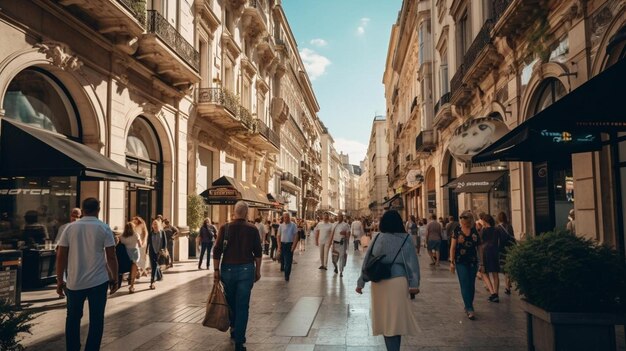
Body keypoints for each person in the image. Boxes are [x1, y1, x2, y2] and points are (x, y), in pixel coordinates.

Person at [55, 198, 119, 351]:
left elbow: (61, 255)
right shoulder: (104, 228)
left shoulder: (70, 228)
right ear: (98, 209)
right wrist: (115, 278)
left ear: (82, 210)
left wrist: (59, 280)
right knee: (97, 320)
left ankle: (73, 348)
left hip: (74, 281)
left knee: (72, 319)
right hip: (98, 281)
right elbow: (111, 256)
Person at [356, 210, 420, 351]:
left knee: (386, 321)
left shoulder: (378, 237)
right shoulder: (406, 238)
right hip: (399, 282)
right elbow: (412, 263)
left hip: (380, 283)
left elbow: (368, 262)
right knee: (395, 321)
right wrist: (414, 284)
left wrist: (361, 282)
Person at [212, 201, 262, 351]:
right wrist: (258, 271)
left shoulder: (225, 228)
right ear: (246, 213)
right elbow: (258, 253)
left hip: (227, 270)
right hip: (246, 270)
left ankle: (234, 329)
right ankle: (239, 340)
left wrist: (216, 271)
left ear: (234, 212)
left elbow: (217, 251)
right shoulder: (252, 229)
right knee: (242, 305)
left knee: (231, 302)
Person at [449, 211, 482, 320]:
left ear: (469, 220)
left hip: (473, 261)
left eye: (465, 219)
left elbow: (479, 248)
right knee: (464, 283)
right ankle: (469, 308)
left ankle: (468, 304)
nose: (462, 221)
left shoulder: (474, 230)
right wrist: (452, 262)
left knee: (471, 284)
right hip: (460, 261)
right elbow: (453, 247)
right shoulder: (457, 230)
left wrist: (481, 262)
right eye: (461, 219)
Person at [479, 214, 501, 302]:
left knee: (484, 273)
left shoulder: (483, 230)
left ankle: (492, 292)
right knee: (495, 273)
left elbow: (480, 242)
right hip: (495, 252)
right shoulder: (497, 229)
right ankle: (496, 293)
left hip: (486, 252)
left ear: (485, 221)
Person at [496, 212, 516, 295]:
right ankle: (509, 282)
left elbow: (497, 240)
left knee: (504, 268)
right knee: (508, 266)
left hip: (502, 249)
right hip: (510, 248)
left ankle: (507, 287)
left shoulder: (497, 228)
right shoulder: (509, 226)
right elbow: (513, 237)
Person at [120, 221, 142, 293]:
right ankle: (132, 286)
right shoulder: (136, 235)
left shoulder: (122, 237)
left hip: (126, 254)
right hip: (135, 253)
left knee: (128, 268)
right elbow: (140, 245)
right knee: (133, 269)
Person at [277, 212, 299, 281]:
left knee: (288, 261)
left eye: (287, 217)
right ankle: (283, 268)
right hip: (282, 244)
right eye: (285, 217)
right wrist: (279, 246)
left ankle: (287, 275)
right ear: (283, 218)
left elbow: (296, 236)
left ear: (289, 217)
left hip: (290, 244)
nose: (286, 218)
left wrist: (294, 246)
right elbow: (278, 236)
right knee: (283, 260)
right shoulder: (281, 226)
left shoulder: (293, 225)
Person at [146, 219, 167, 290]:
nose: (154, 225)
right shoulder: (151, 233)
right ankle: (152, 282)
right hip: (152, 251)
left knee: (155, 265)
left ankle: (156, 279)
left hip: (159, 251)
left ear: (158, 225)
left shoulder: (162, 232)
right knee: (154, 265)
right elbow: (148, 243)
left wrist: (163, 249)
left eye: (156, 224)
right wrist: (146, 251)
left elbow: (165, 242)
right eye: (153, 224)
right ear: (152, 226)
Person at [331, 213, 350, 277]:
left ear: (342, 217)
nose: (339, 218)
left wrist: (345, 234)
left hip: (342, 243)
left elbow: (348, 234)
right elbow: (331, 233)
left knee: (341, 257)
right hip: (335, 243)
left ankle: (341, 272)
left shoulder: (346, 225)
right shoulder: (334, 224)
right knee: (334, 259)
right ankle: (335, 267)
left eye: (340, 217)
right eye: (338, 217)